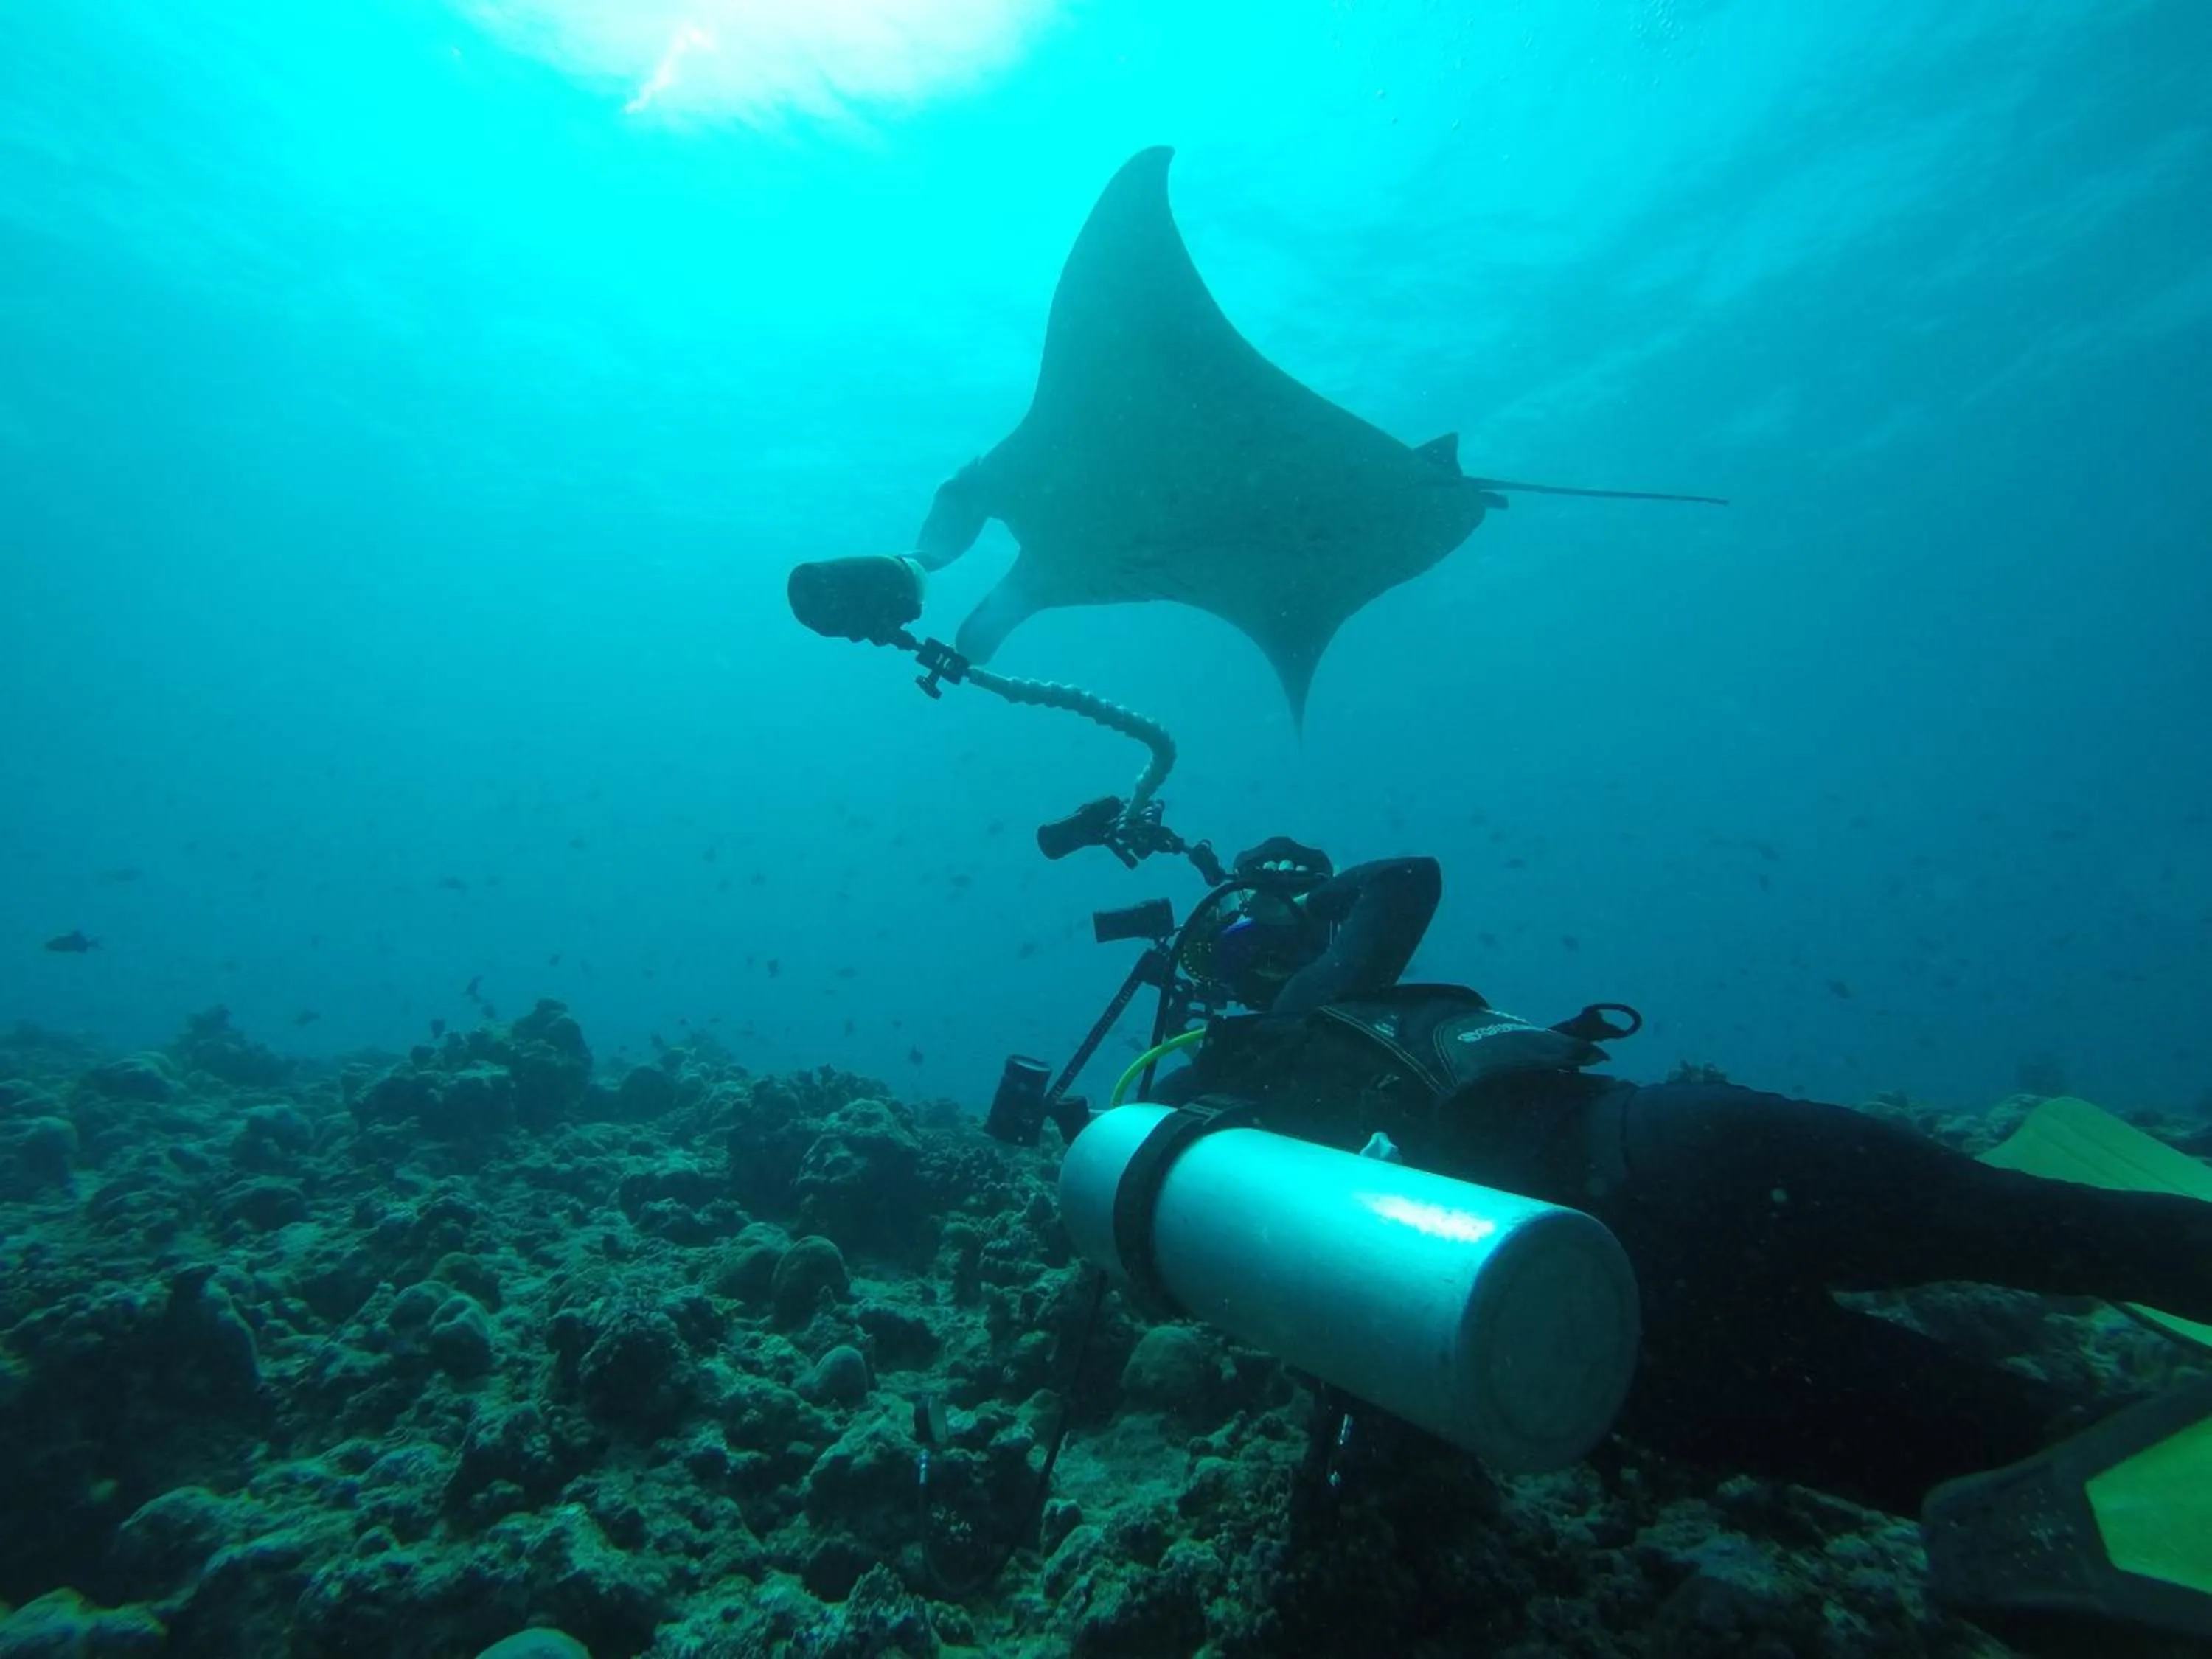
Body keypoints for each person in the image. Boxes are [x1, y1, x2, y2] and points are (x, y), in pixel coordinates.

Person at [1154, 836, 2212, 1651]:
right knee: (2057, 1230)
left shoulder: (1228, 1099)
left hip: (1615, 1326)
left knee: (2029, 1465)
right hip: (1683, 1152)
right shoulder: (1322, 1001)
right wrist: (1305, 891)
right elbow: (1406, 875)